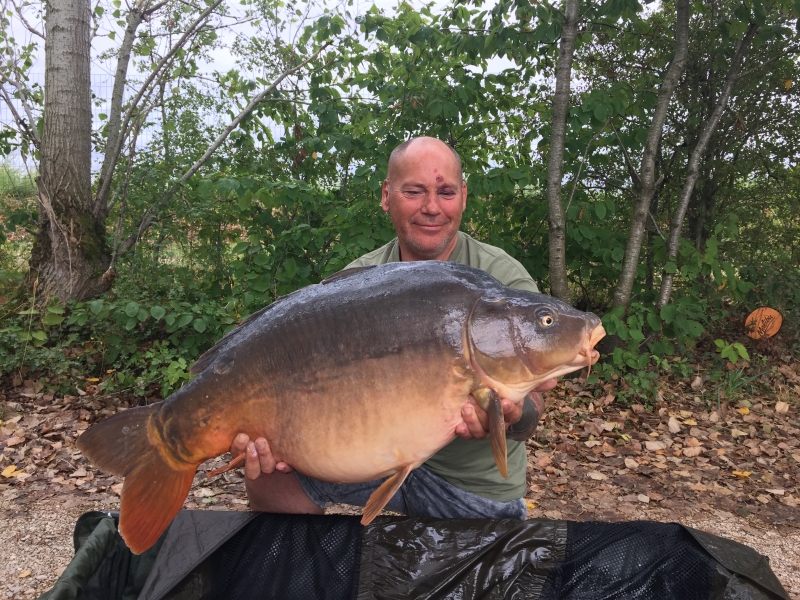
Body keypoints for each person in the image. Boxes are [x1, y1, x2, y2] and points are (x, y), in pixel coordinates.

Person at [230, 136, 555, 520]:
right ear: (387, 195)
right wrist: (277, 437)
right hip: (371, 460)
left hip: (468, 486)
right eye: (414, 191)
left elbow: (534, 409)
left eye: (446, 191)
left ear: (463, 197)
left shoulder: (500, 280)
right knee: (268, 478)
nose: (432, 207)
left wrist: (514, 414)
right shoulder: (359, 284)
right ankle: (302, 574)